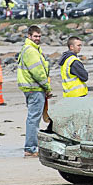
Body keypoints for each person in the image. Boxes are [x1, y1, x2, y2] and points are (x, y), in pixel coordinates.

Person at [17, 25, 52, 157]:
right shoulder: (31, 51)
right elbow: (38, 72)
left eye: (39, 36)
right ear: (29, 36)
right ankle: (31, 148)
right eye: (35, 36)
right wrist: (47, 87)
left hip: (33, 89)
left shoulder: (32, 49)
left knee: (33, 118)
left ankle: (31, 146)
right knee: (33, 119)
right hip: (35, 89)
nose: (37, 38)